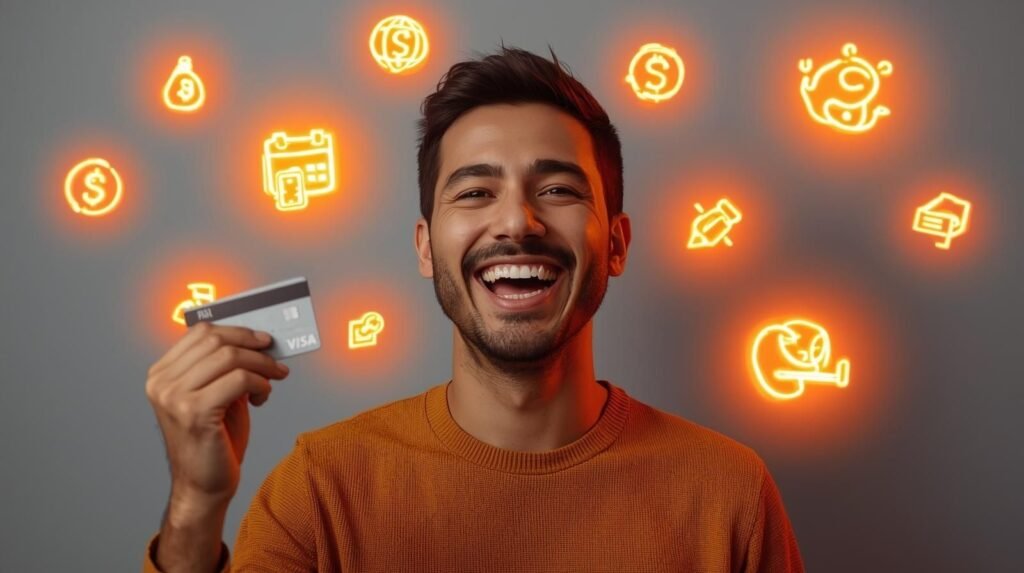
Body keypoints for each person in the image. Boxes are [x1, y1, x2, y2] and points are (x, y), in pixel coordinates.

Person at [143, 47, 804, 572]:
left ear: (619, 243)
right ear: (427, 247)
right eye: (476, 191)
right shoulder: (322, 487)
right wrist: (195, 507)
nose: (517, 220)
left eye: (557, 187)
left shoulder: (729, 493)